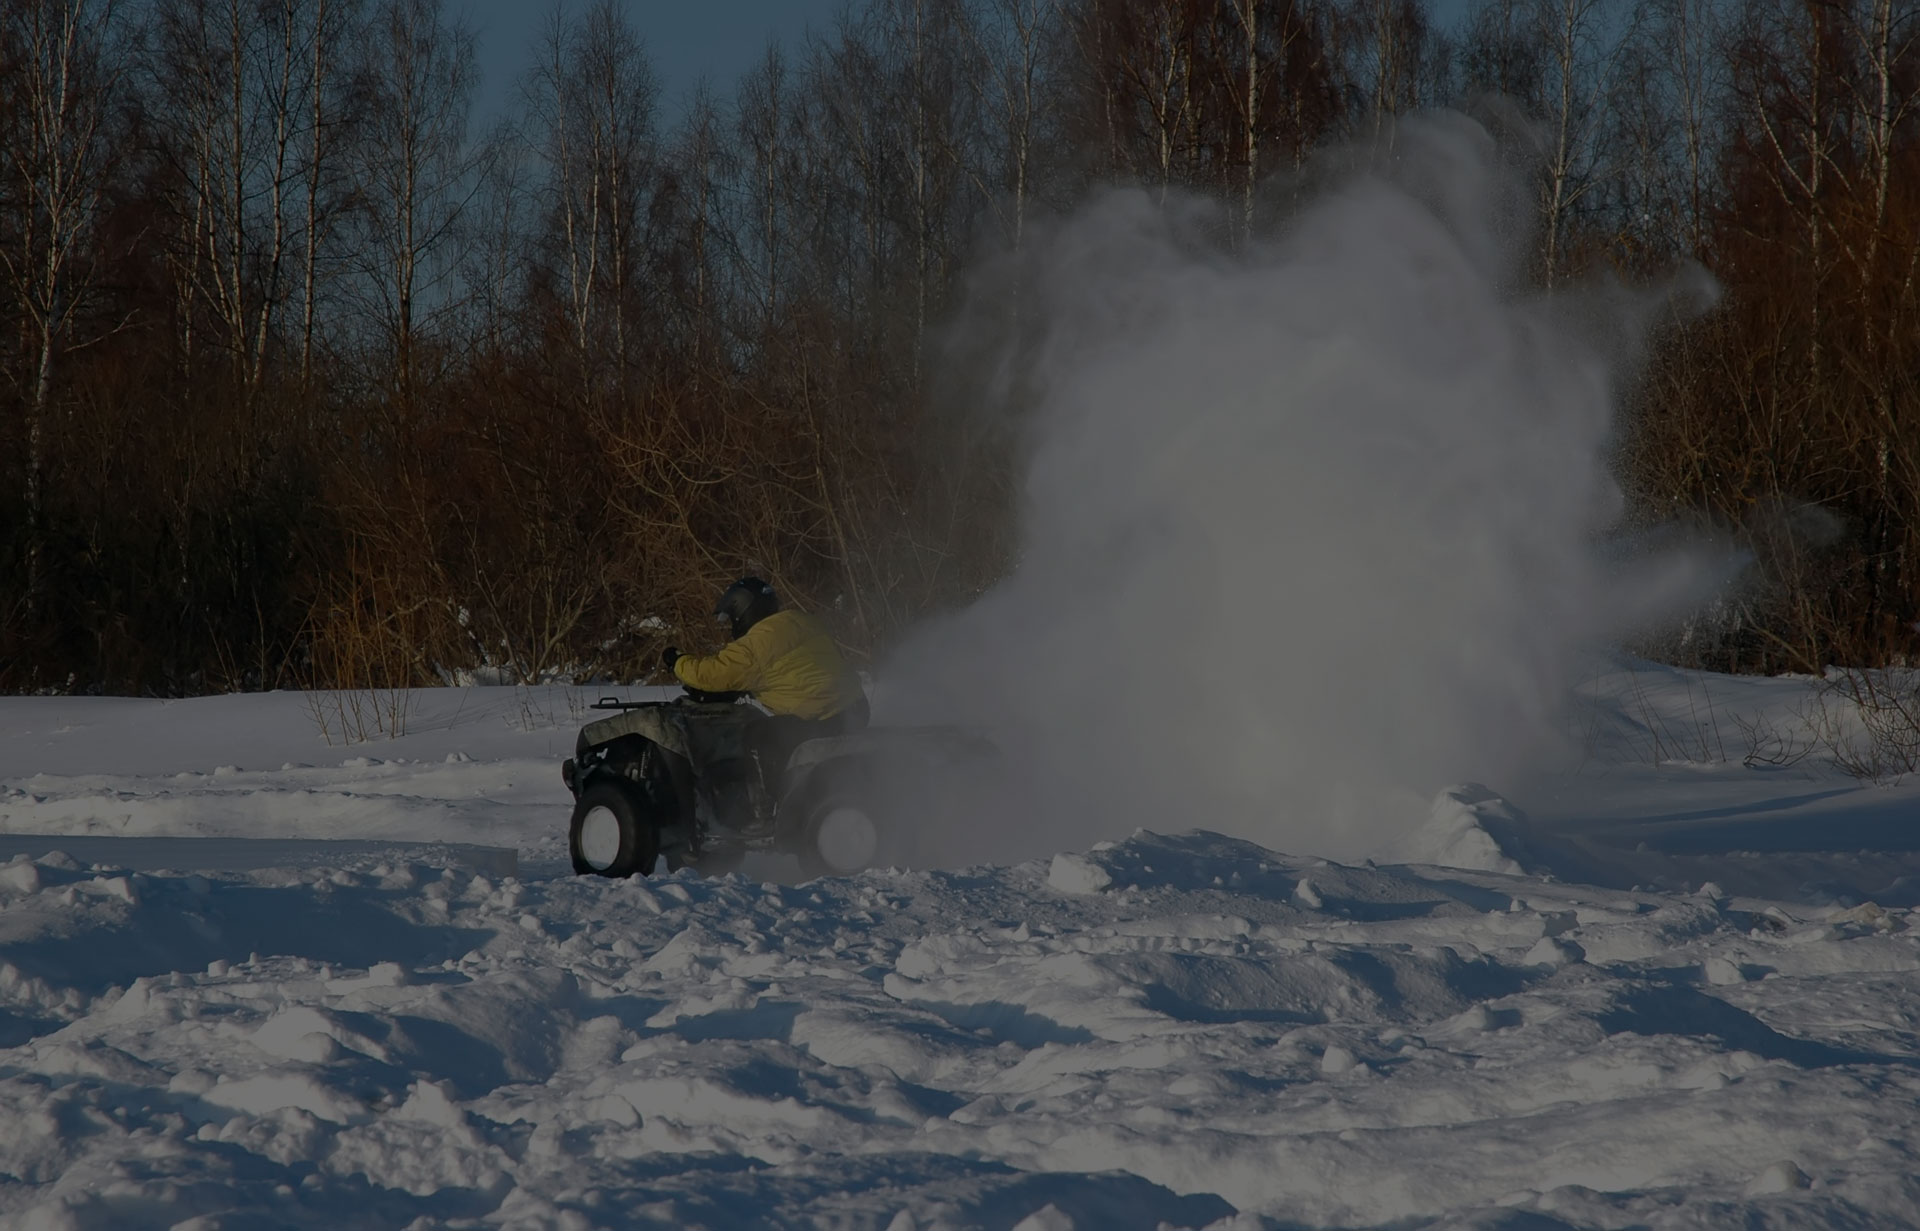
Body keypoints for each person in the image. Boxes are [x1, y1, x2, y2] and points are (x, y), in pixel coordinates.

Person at [662, 578, 870, 780]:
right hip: (856, 710)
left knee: (758, 735)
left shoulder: (754, 646)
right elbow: (792, 668)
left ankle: (768, 807)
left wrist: (677, 661)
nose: (730, 624)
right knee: (782, 730)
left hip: (822, 720)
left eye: (730, 617)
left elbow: (709, 674)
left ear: (742, 611)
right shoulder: (802, 620)